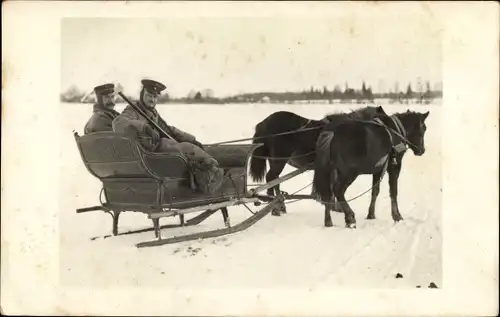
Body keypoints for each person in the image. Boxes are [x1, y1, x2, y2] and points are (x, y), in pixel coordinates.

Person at [112, 79, 225, 194]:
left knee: (190, 147)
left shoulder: (152, 112)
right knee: (186, 149)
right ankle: (213, 173)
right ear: (142, 95)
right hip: (150, 153)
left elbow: (168, 129)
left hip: (160, 148)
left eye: (155, 97)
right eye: (149, 95)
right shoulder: (133, 110)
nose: (152, 99)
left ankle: (209, 171)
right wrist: (144, 127)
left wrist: (191, 138)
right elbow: (118, 123)